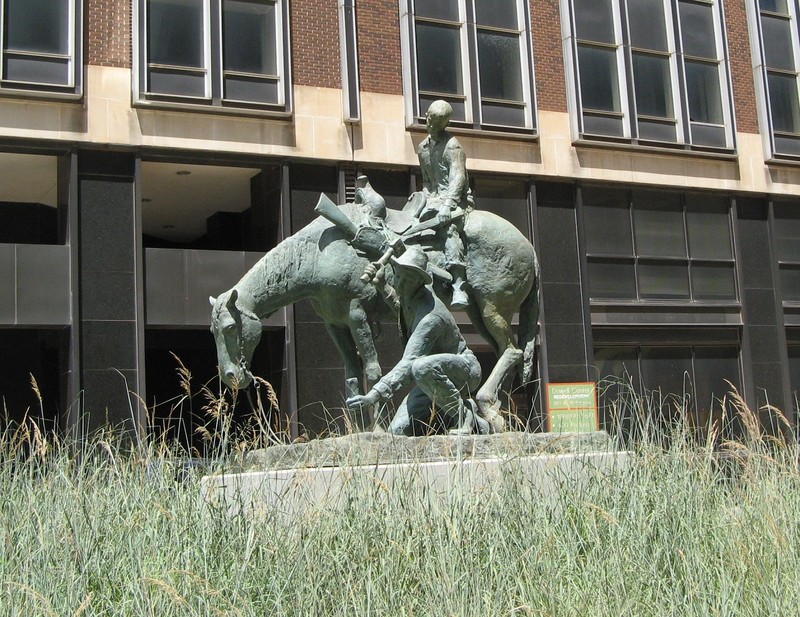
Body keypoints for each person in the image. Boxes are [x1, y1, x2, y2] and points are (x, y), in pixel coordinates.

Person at [345, 245, 483, 435]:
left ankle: (462, 416)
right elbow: (401, 308)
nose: (400, 284)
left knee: (420, 366)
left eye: (407, 280)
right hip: (431, 376)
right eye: (398, 276)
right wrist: (382, 285)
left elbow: (409, 362)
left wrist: (373, 395)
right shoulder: (412, 295)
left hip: (463, 370)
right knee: (396, 432)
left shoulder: (431, 317)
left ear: (419, 282)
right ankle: (474, 418)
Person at [413, 99, 475, 309]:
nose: (431, 124)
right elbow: (428, 183)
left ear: (445, 124)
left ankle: (459, 284)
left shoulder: (453, 146)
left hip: (457, 201)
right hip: (433, 200)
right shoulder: (422, 148)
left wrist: (447, 205)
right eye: (430, 119)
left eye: (437, 122)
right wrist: (421, 200)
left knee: (448, 229)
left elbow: (458, 179)